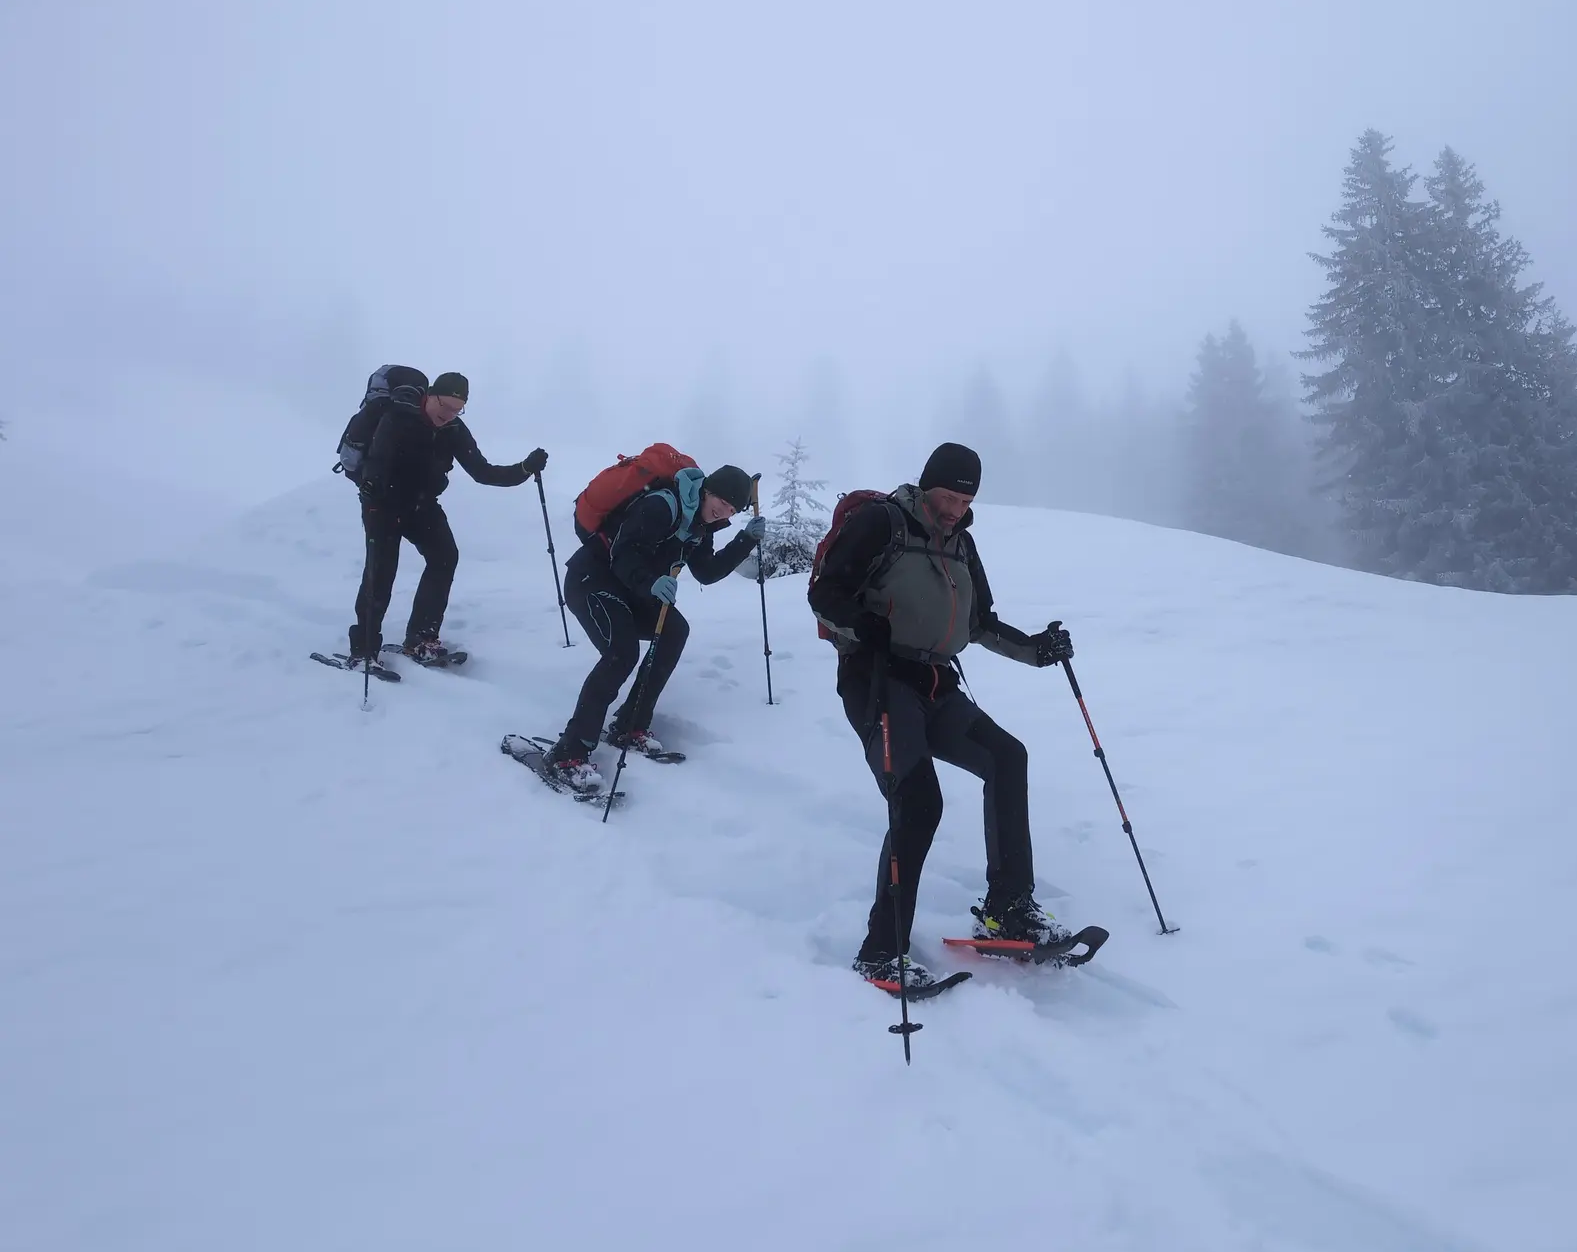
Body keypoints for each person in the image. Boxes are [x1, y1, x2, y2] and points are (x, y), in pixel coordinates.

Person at [807, 441, 1076, 991]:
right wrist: (865, 623)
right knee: (918, 798)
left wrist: (1036, 649)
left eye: (965, 498)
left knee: (1006, 756)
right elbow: (824, 592)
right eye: (949, 495)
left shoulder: (962, 545)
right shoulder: (882, 523)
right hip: (878, 679)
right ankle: (882, 949)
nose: (956, 507)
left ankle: (1008, 907)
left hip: (935, 681)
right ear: (927, 485)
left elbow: (979, 623)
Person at [543, 462, 765, 790]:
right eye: (722, 501)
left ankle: (630, 724)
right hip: (592, 580)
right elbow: (623, 553)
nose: (723, 512)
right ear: (707, 490)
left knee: (675, 631)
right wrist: (650, 582)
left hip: (631, 589)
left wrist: (744, 540)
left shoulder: (698, 526)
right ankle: (568, 753)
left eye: (732, 509)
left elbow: (706, 571)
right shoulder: (662, 505)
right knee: (621, 652)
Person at [349, 371, 546, 668]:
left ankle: (422, 639)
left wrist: (525, 468)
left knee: (444, 557)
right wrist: (372, 486)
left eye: (457, 409)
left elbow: (483, 472)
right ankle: (363, 649)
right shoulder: (397, 417)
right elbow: (376, 461)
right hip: (383, 504)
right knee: (381, 570)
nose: (449, 414)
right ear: (430, 395)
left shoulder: (454, 429)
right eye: (445, 406)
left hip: (422, 505)